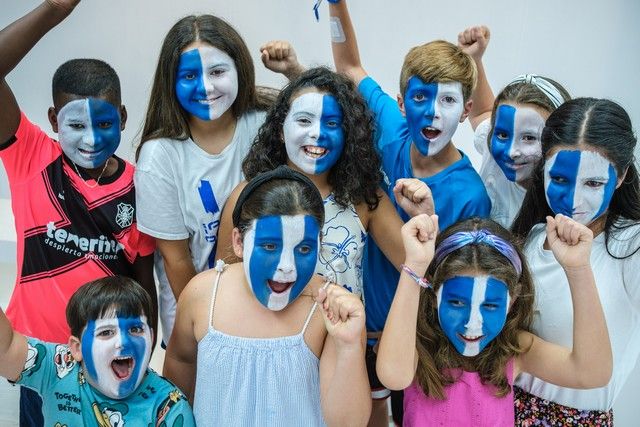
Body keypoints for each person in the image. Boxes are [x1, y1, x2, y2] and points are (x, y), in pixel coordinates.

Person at [325, 1, 491, 422]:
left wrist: (428, 220)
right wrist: (335, 5)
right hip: (350, 327)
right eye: (421, 97)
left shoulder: (470, 194)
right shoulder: (390, 129)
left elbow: (451, 287)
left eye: (448, 100)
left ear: (467, 109)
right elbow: (349, 66)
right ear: (401, 102)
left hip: (410, 344)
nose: (432, 112)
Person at [0, 1, 156, 423]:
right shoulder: (30, 156)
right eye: (75, 124)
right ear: (53, 119)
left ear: (122, 118)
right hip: (39, 365)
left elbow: (144, 285)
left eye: (105, 124)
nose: (91, 138)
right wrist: (51, 11)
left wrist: (143, 356)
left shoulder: (141, 186)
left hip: (110, 366)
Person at [134, 15, 301, 344]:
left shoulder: (265, 122)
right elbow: (176, 260)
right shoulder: (159, 156)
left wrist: (293, 72)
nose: (206, 87)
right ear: (171, 82)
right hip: (199, 317)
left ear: (239, 69)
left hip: (273, 306)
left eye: (217, 72)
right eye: (190, 75)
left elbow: (324, 121)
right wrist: (212, 323)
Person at [164, 166, 370, 426]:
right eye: (270, 246)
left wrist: (348, 344)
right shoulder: (202, 294)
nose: (287, 266)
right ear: (239, 242)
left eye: (304, 248)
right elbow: (178, 368)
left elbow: (349, 423)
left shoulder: (331, 311)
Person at [215, 67, 433, 298]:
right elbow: (223, 286)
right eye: (304, 120)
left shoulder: (363, 198)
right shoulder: (247, 196)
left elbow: (421, 271)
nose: (317, 133)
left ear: (347, 134)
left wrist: (425, 219)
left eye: (331, 124)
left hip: (343, 332)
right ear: (281, 129)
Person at [377, 213, 612, 426]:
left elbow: (592, 373)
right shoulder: (416, 341)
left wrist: (578, 269)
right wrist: (415, 267)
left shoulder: (515, 349)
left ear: (512, 300)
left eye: (490, 306)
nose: (472, 323)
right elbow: (393, 377)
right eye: (457, 303)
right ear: (435, 294)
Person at [510, 98, 640, 425]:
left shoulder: (631, 245)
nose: (572, 202)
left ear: (621, 175)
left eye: (593, 183)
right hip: (503, 409)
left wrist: (578, 267)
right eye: (560, 180)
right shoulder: (532, 236)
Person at [0, 275, 195, 425]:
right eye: (106, 332)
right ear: (77, 348)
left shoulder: (169, 407)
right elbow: (6, 349)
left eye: (135, 330)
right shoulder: (59, 366)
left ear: (151, 337)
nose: (123, 342)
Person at [458, 25, 571, 228]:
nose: (511, 151)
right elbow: (483, 111)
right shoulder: (493, 150)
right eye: (502, 134)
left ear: (558, 139)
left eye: (529, 138)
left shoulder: (563, 199)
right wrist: (472, 59)